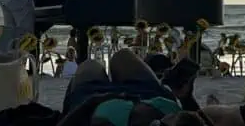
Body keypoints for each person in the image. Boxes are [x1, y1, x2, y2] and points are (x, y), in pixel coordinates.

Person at [57, 49, 200, 125]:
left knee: (90, 64)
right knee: (122, 55)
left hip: (94, 103)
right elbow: (200, 121)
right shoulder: (172, 116)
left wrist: (92, 101)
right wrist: (186, 98)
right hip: (153, 97)